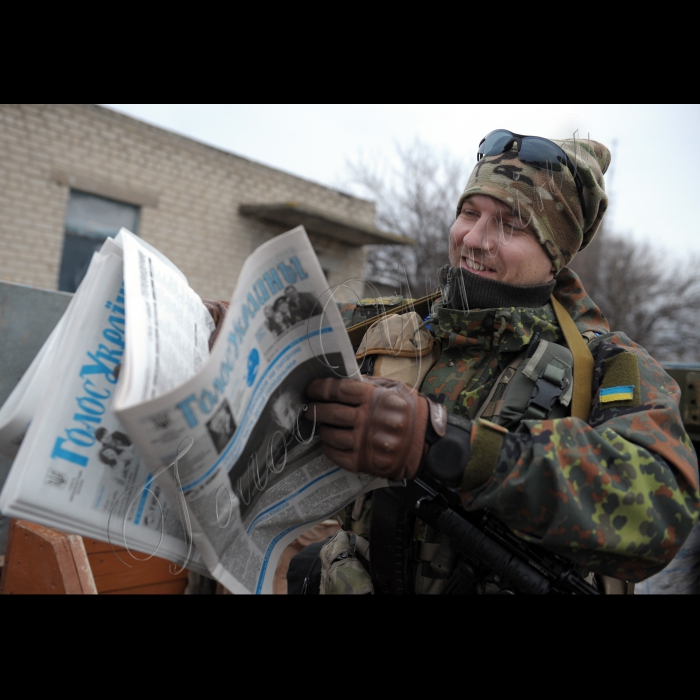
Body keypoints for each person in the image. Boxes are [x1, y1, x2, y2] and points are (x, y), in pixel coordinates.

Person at [304, 130, 700, 594]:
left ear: (555, 253)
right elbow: (273, 334)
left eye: (509, 225)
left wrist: (451, 448)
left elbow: (657, 513)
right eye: (469, 213)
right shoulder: (387, 322)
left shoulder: (607, 366)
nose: (474, 238)